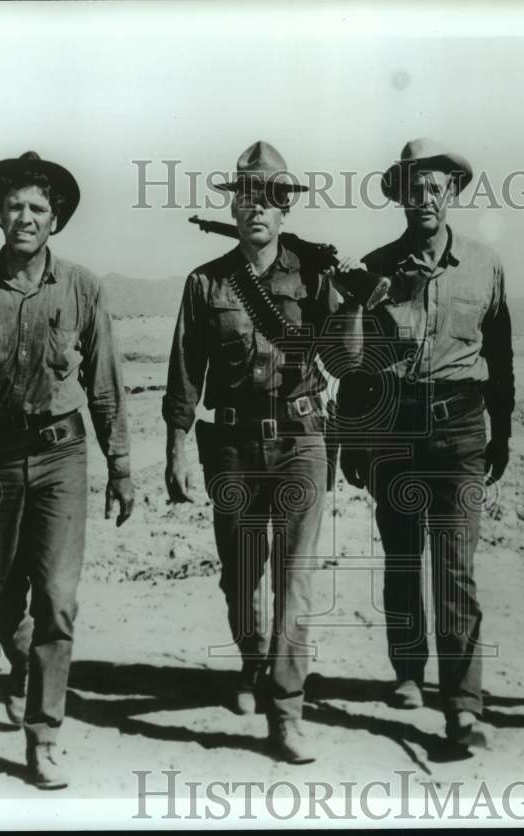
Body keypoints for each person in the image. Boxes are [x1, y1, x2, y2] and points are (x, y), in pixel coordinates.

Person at [0, 150, 135, 789]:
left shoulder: (81, 287)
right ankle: (20, 662)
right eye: (14, 205)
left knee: (57, 600)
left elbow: (105, 383)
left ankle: (44, 736)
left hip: (59, 458)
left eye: (38, 208)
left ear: (56, 220)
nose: (25, 216)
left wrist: (121, 465)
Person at [163, 140, 363, 765]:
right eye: (247, 197)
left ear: (285, 212)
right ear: (237, 207)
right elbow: (184, 371)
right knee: (241, 575)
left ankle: (286, 709)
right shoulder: (206, 283)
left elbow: (344, 361)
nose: (257, 209)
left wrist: (355, 304)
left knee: (295, 582)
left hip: (302, 439)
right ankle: (253, 659)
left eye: (271, 199)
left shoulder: (316, 277)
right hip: (230, 445)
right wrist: (176, 447)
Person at [338, 138, 515, 749]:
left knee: (456, 566)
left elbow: (502, 357)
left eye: (437, 188)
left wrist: (504, 430)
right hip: (394, 426)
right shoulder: (371, 268)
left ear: (453, 194)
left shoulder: (487, 266)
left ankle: (463, 705)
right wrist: (354, 441)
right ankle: (408, 672)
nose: (426, 199)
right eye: (415, 188)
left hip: (463, 425)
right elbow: (354, 366)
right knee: (403, 558)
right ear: (401, 196)